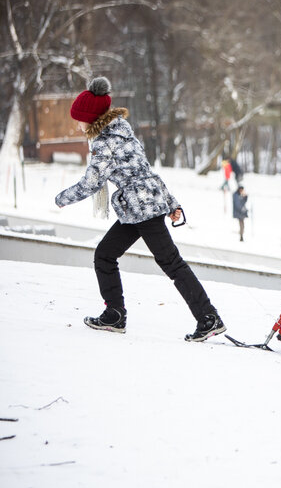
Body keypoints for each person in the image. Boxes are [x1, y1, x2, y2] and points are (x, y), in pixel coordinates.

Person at [55, 76, 226, 342]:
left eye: (78, 119)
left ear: (90, 118)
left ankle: (208, 317)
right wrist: (169, 202)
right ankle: (114, 314)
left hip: (141, 209)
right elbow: (145, 172)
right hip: (137, 208)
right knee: (105, 254)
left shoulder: (104, 142)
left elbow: (92, 182)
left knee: (171, 262)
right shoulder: (123, 131)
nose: (77, 124)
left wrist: (62, 198)